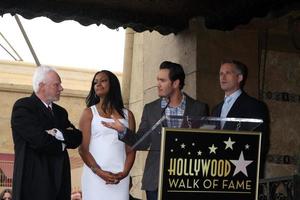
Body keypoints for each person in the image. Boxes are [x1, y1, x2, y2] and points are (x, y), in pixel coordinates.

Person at [103, 61, 208, 200]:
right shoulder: (150, 109)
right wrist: (123, 131)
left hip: (188, 180)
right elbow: (141, 142)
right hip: (156, 180)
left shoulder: (198, 108)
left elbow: (204, 144)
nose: (158, 84)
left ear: (176, 83)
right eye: (158, 80)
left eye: (162, 80)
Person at [10, 65, 82, 200]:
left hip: (60, 182)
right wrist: (62, 144)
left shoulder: (61, 112)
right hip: (34, 184)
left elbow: (77, 137)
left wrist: (56, 133)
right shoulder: (24, 107)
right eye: (57, 84)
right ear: (42, 85)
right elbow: (40, 140)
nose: (61, 88)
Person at [78, 70, 136, 200]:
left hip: (120, 177)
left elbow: (131, 149)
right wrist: (100, 172)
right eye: (95, 82)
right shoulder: (88, 113)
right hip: (95, 176)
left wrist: (124, 173)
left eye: (103, 80)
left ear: (113, 84)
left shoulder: (128, 115)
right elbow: (82, 149)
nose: (98, 84)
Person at [211, 59, 270, 177]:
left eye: (228, 73)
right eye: (221, 74)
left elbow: (261, 144)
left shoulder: (255, 106)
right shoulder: (216, 109)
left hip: (242, 173)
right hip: (217, 173)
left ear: (239, 78)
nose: (223, 77)